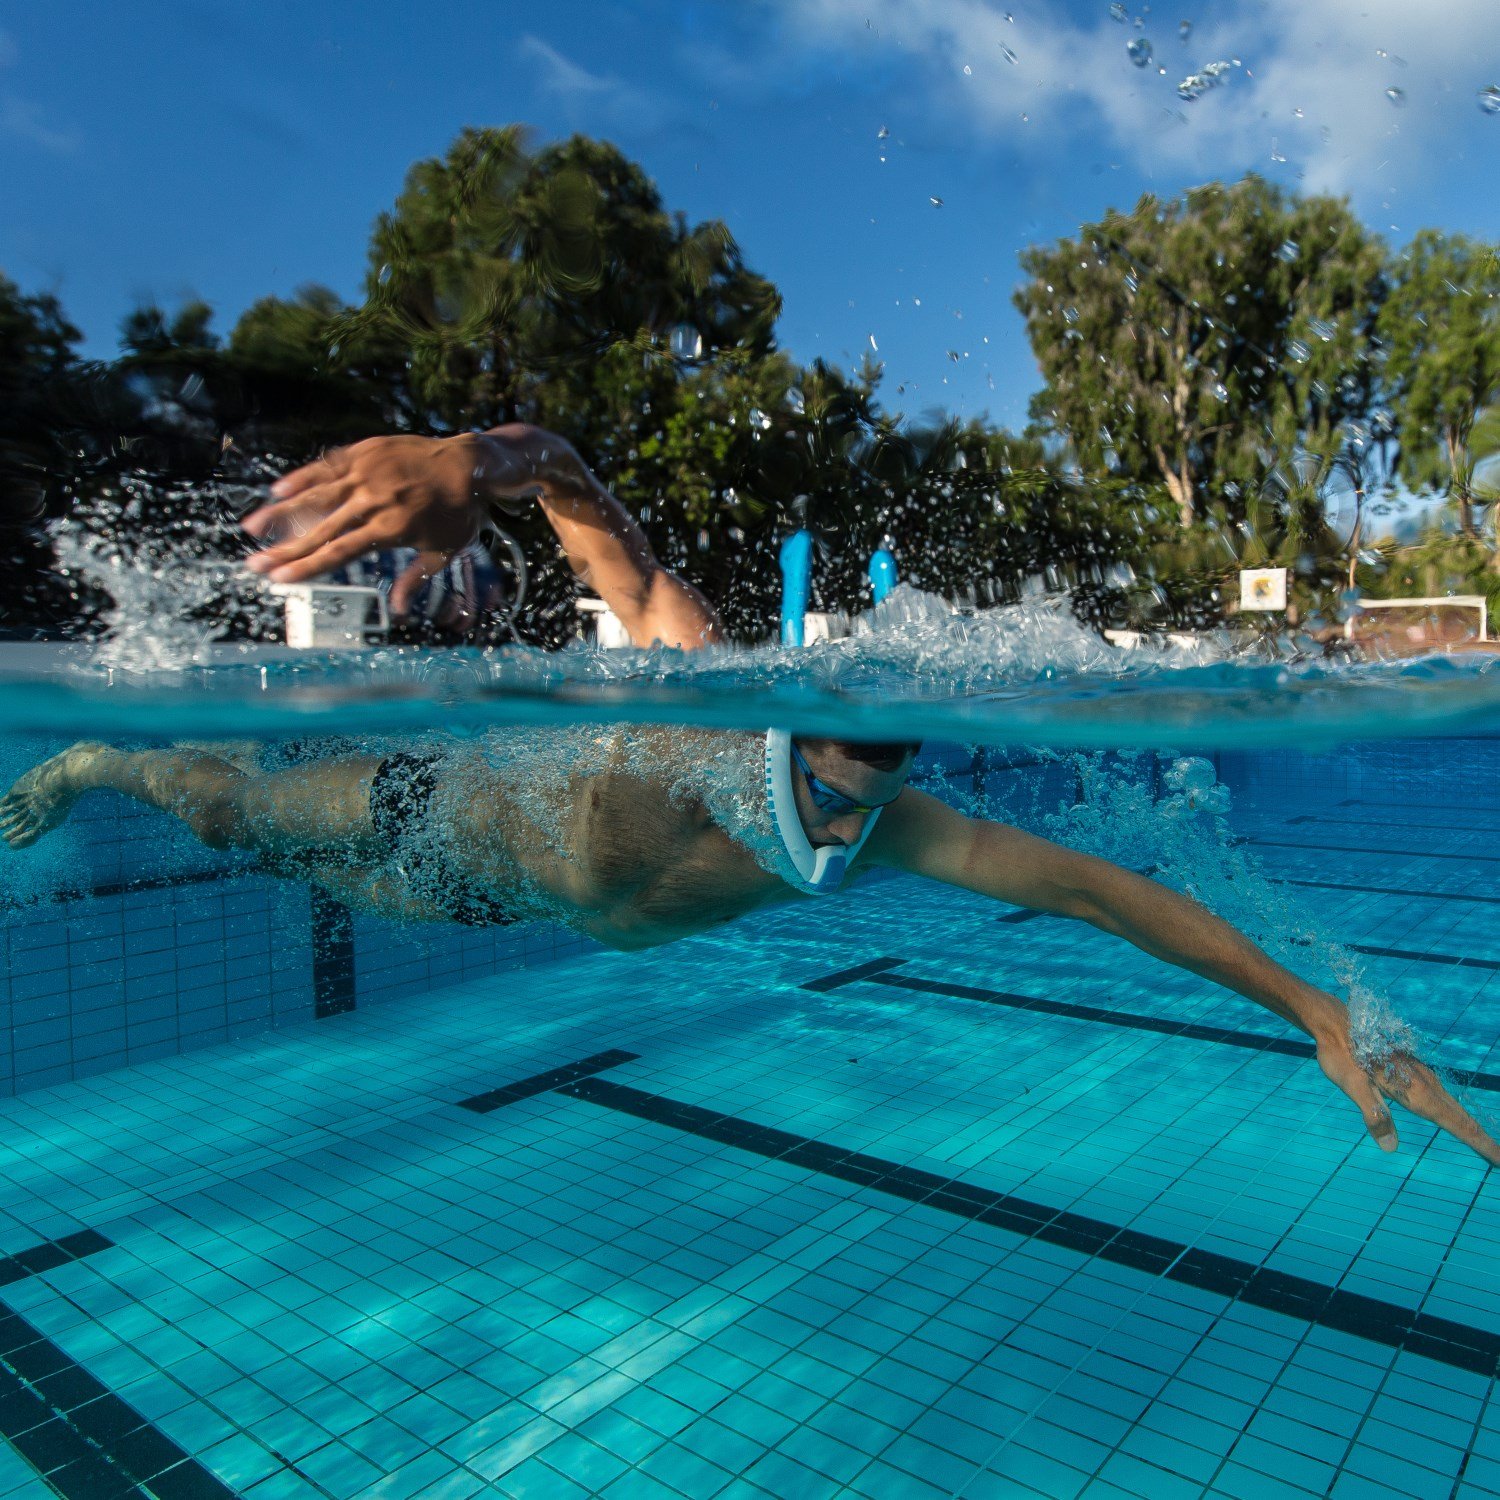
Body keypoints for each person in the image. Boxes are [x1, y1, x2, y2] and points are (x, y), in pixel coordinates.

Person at [4, 424, 1497, 1169]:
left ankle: (147, 781)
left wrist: (1312, 1010)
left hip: (487, 891)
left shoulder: (899, 826)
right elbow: (593, 511)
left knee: (296, 881)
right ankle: (91, 755)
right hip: (433, 804)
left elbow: (1108, 895)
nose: (841, 826)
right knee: (222, 817)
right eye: (834, 782)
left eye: (866, 798)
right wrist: (478, 454)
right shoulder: (705, 692)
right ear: (798, 731)